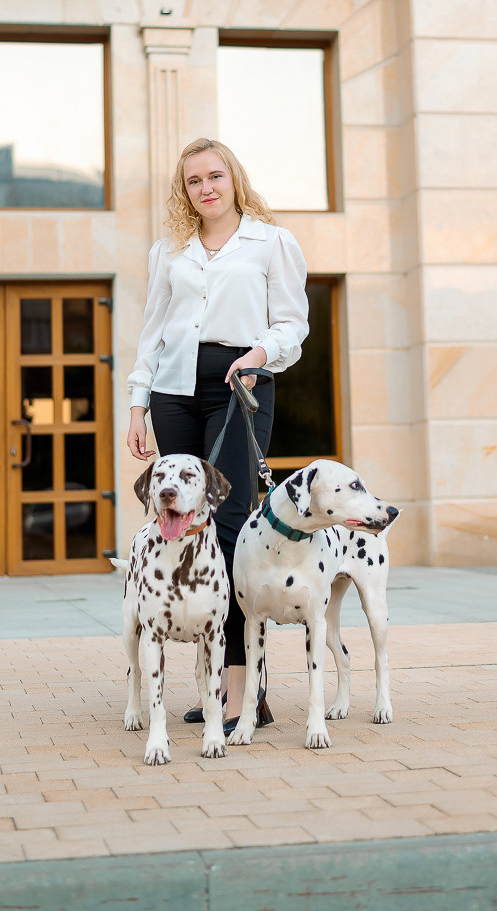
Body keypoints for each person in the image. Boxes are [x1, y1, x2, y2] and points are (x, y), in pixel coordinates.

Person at [127, 137, 309, 730]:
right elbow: (153, 331)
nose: (205, 188)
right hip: (173, 389)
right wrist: (138, 404)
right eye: (194, 181)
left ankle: (242, 691)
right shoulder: (169, 252)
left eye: (214, 176)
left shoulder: (272, 242)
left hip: (240, 385)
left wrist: (258, 353)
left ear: (234, 179)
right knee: (182, 527)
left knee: (228, 528)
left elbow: (293, 324)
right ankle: (210, 685)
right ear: (184, 191)